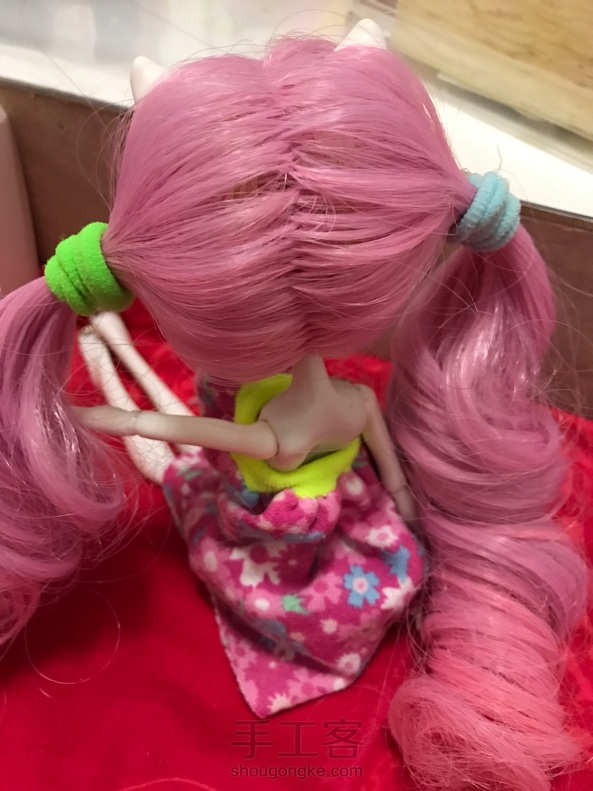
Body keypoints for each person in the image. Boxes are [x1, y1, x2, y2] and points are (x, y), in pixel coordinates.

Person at [0, 19, 586, 791]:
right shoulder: (353, 396)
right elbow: (388, 464)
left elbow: (169, 426)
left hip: (273, 538)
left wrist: (95, 416)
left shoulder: (275, 426)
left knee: (173, 464)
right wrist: (405, 501)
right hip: (355, 519)